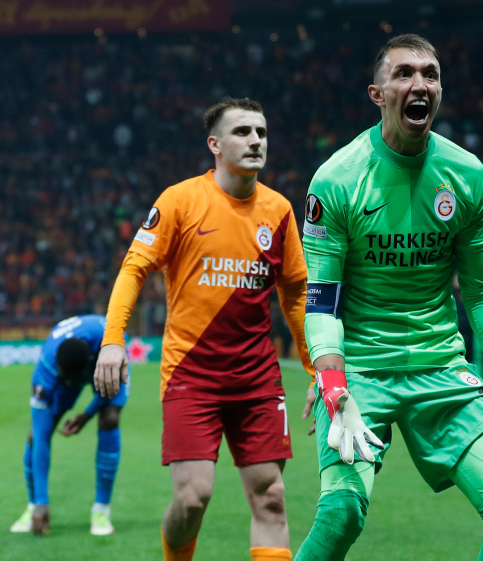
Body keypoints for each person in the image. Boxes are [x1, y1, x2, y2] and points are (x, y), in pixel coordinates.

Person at [295, 34, 483, 561]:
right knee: (341, 515)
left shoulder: (467, 175)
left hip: (441, 368)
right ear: (377, 93)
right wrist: (332, 387)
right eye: (403, 74)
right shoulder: (335, 179)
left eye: (430, 74)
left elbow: (482, 289)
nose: (419, 84)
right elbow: (322, 301)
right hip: (358, 376)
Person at [93, 97, 314, 561]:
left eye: (262, 132)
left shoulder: (278, 210)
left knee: (271, 496)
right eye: (243, 132)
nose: (256, 140)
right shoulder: (179, 200)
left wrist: (317, 369)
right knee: (193, 497)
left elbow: (294, 293)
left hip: (256, 377)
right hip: (191, 375)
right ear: (214, 144)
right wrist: (113, 341)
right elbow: (135, 268)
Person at [10, 315, 128, 537]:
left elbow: (111, 387)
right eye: (68, 380)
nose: (74, 385)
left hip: (105, 358)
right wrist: (42, 502)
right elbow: (42, 436)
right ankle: (33, 504)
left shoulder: (111, 347)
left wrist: (87, 414)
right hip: (73, 369)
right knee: (36, 434)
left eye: (75, 380)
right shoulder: (45, 372)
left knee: (110, 417)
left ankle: (101, 510)